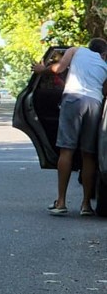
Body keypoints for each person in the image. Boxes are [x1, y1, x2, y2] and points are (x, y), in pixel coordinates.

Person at [33, 38, 107, 217]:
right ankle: (86, 205)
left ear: (89, 47)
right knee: (88, 154)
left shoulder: (75, 50)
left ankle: (61, 202)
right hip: (94, 103)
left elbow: (59, 68)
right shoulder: (105, 63)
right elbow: (105, 91)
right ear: (103, 52)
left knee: (66, 151)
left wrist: (42, 69)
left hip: (73, 99)